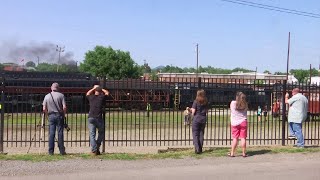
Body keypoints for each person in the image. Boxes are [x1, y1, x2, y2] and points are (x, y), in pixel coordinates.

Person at [42, 82, 67, 155]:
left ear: (51, 88)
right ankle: (62, 151)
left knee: (51, 134)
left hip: (51, 115)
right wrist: (64, 114)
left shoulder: (47, 96)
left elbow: (44, 108)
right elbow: (64, 107)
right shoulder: (61, 95)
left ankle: (50, 151)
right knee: (60, 133)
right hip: (59, 115)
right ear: (58, 88)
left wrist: (47, 115)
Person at [86, 85, 109, 155]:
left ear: (95, 91)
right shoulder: (101, 97)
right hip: (98, 118)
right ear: (100, 91)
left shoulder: (91, 97)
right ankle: (97, 146)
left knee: (92, 134)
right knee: (101, 132)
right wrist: (101, 88)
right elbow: (107, 93)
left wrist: (93, 88)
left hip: (91, 117)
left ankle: (94, 150)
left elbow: (87, 93)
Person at [229, 92, 248, 157]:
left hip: (234, 122)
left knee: (235, 138)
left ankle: (232, 153)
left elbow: (231, 110)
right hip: (243, 121)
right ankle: (244, 153)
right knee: (243, 138)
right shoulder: (245, 104)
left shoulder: (233, 103)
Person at [191, 89, 208, 154]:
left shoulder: (196, 101)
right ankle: (200, 149)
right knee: (201, 134)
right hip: (203, 118)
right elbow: (206, 110)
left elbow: (193, 112)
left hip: (196, 118)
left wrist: (189, 110)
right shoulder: (205, 101)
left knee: (195, 134)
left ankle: (197, 149)